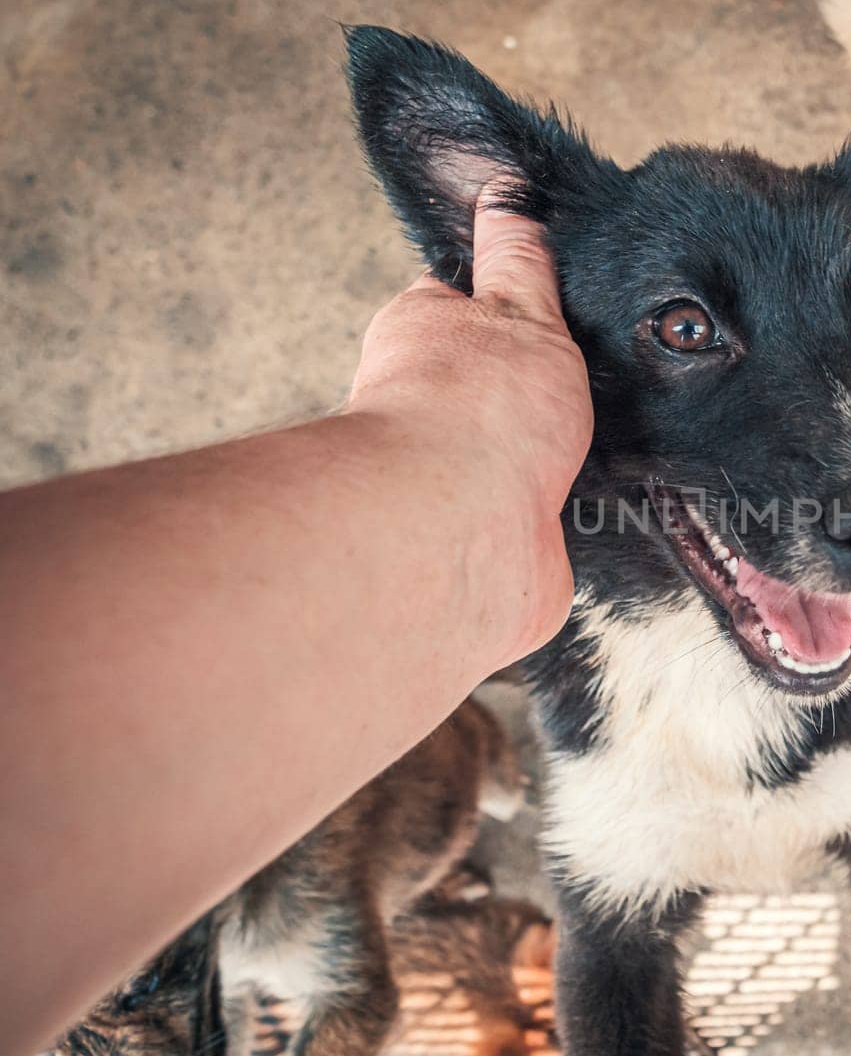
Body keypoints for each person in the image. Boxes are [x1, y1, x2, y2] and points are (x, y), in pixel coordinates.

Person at [0, 189, 592, 1054]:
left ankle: (467, 503)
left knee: (497, 780)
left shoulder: (284, 899)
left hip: (442, 745)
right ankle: (464, 497)